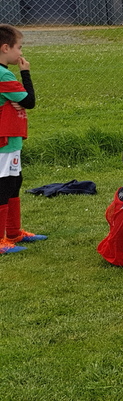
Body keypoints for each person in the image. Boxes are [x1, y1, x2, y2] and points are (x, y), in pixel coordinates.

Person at [0, 25, 45, 255]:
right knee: (4, 186)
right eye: (19, 47)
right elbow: (30, 101)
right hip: (4, 142)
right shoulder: (4, 74)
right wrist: (25, 73)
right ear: (5, 48)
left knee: (15, 182)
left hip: (12, 140)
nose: (21, 53)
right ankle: (1, 240)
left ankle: (13, 233)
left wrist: (13, 101)